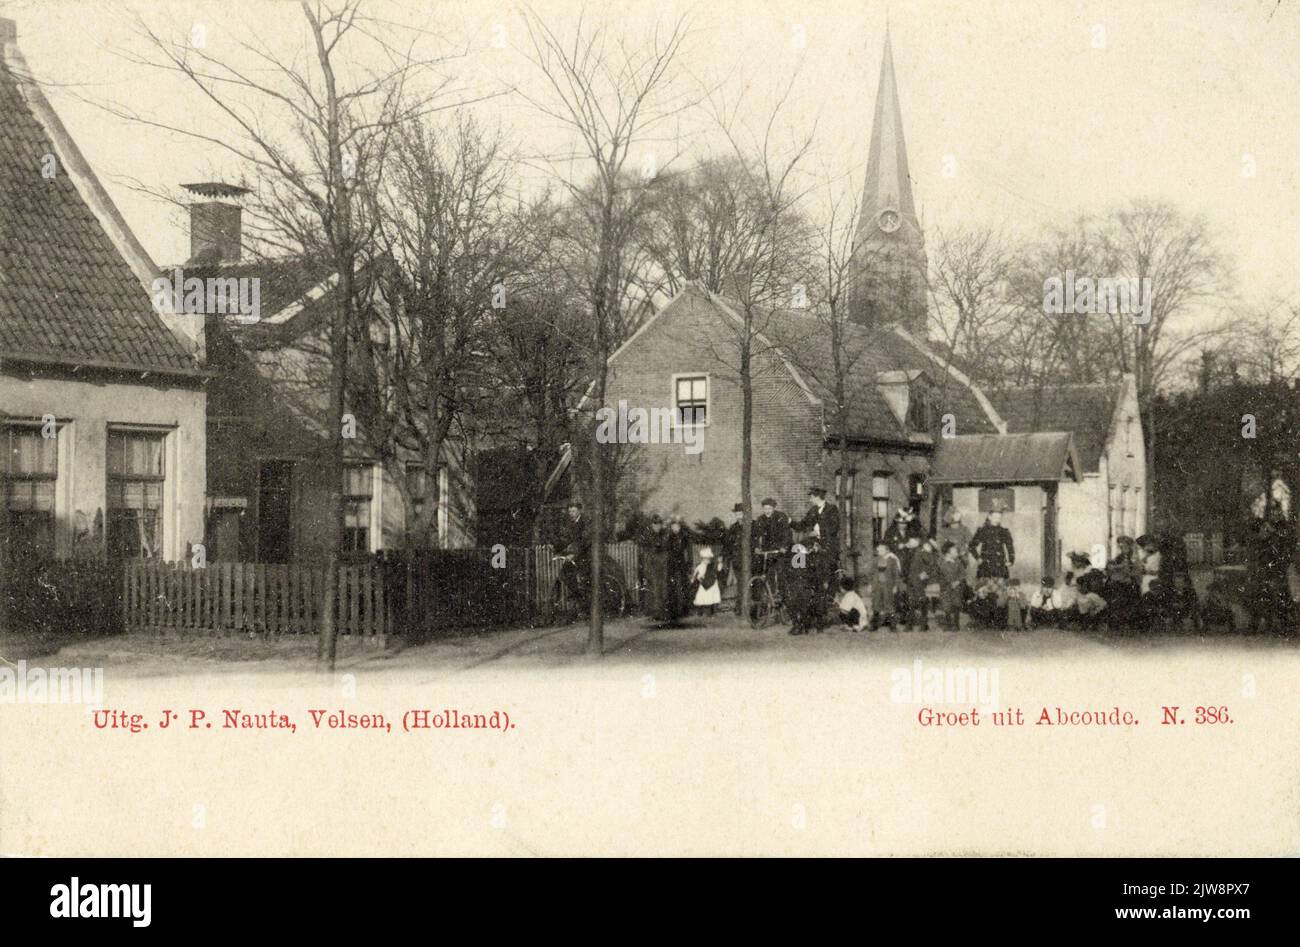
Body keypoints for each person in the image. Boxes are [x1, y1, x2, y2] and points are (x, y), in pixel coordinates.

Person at [555, 501, 591, 608]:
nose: (571, 513)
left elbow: (584, 541)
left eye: (574, 511)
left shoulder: (586, 522)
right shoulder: (570, 523)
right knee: (563, 574)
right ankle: (579, 597)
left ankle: (583, 599)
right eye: (570, 511)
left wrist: (574, 555)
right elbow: (567, 540)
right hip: (576, 554)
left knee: (584, 578)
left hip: (587, 553)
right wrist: (557, 549)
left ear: (580, 511)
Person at [639, 514, 670, 622]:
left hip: (661, 566)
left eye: (659, 524)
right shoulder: (647, 535)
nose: (657, 527)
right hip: (651, 566)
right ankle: (653, 612)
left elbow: (664, 547)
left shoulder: (664, 535)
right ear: (652, 525)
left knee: (661, 589)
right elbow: (646, 553)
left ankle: (660, 612)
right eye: (655, 524)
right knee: (653, 589)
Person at [906, 537, 941, 631]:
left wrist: (925, 573)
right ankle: (910, 625)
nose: (909, 542)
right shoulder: (912, 551)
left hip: (918, 581)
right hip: (911, 580)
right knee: (911, 602)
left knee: (921, 602)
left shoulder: (924, 553)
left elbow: (932, 564)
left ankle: (923, 625)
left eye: (911, 540)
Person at [664, 516, 694, 623]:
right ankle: (673, 611)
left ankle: (685, 610)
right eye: (673, 526)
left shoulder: (684, 536)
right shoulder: (668, 537)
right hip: (671, 565)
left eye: (677, 525)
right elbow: (665, 551)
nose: (675, 528)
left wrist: (690, 565)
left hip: (682, 565)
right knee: (672, 587)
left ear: (680, 526)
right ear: (671, 526)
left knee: (683, 586)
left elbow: (689, 552)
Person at [971, 509, 1014, 580]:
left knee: (1001, 588)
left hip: (1000, 564)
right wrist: (978, 558)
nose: (997, 520)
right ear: (989, 517)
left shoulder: (1004, 531)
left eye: (999, 518)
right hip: (985, 566)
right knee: (985, 588)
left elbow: (1010, 547)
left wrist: (1011, 560)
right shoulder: (982, 530)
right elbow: (972, 546)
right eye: (995, 517)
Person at [785, 544, 816, 636]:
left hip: (801, 586)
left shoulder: (800, 558)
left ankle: (798, 625)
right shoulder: (804, 558)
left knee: (797, 604)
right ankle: (799, 625)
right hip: (800, 585)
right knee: (798, 604)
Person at [871, 542, 901, 631]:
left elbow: (896, 574)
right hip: (877, 585)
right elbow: (871, 573)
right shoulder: (875, 560)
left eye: (880, 549)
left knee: (889, 604)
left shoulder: (892, 560)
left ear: (886, 550)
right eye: (878, 549)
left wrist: (895, 586)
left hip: (888, 585)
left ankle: (892, 626)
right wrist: (870, 584)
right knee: (876, 604)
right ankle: (874, 625)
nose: (878, 551)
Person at [938, 541, 965, 631]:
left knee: (956, 604)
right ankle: (948, 624)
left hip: (956, 588)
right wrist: (948, 583)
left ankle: (956, 625)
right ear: (948, 553)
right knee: (947, 606)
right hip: (945, 588)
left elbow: (962, 574)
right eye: (954, 551)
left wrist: (958, 581)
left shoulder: (958, 562)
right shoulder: (941, 563)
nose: (957, 552)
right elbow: (940, 575)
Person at [691, 547, 721, 616]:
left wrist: (719, 563)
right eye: (707, 558)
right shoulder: (700, 566)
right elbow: (696, 573)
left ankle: (712, 611)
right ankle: (700, 611)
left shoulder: (711, 566)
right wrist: (696, 578)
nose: (708, 560)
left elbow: (717, 570)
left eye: (709, 558)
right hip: (705, 583)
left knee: (713, 596)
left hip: (711, 582)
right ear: (703, 559)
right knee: (702, 597)